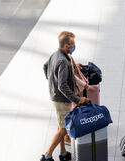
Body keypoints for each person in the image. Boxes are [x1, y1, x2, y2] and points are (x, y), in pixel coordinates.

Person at [42, 31, 88, 161]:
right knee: (63, 128)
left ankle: (62, 152)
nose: (74, 46)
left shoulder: (55, 54)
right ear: (66, 45)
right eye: (72, 44)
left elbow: (45, 66)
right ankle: (47, 155)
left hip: (56, 95)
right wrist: (77, 99)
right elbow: (62, 86)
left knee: (60, 124)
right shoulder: (62, 61)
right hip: (61, 99)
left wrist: (51, 82)